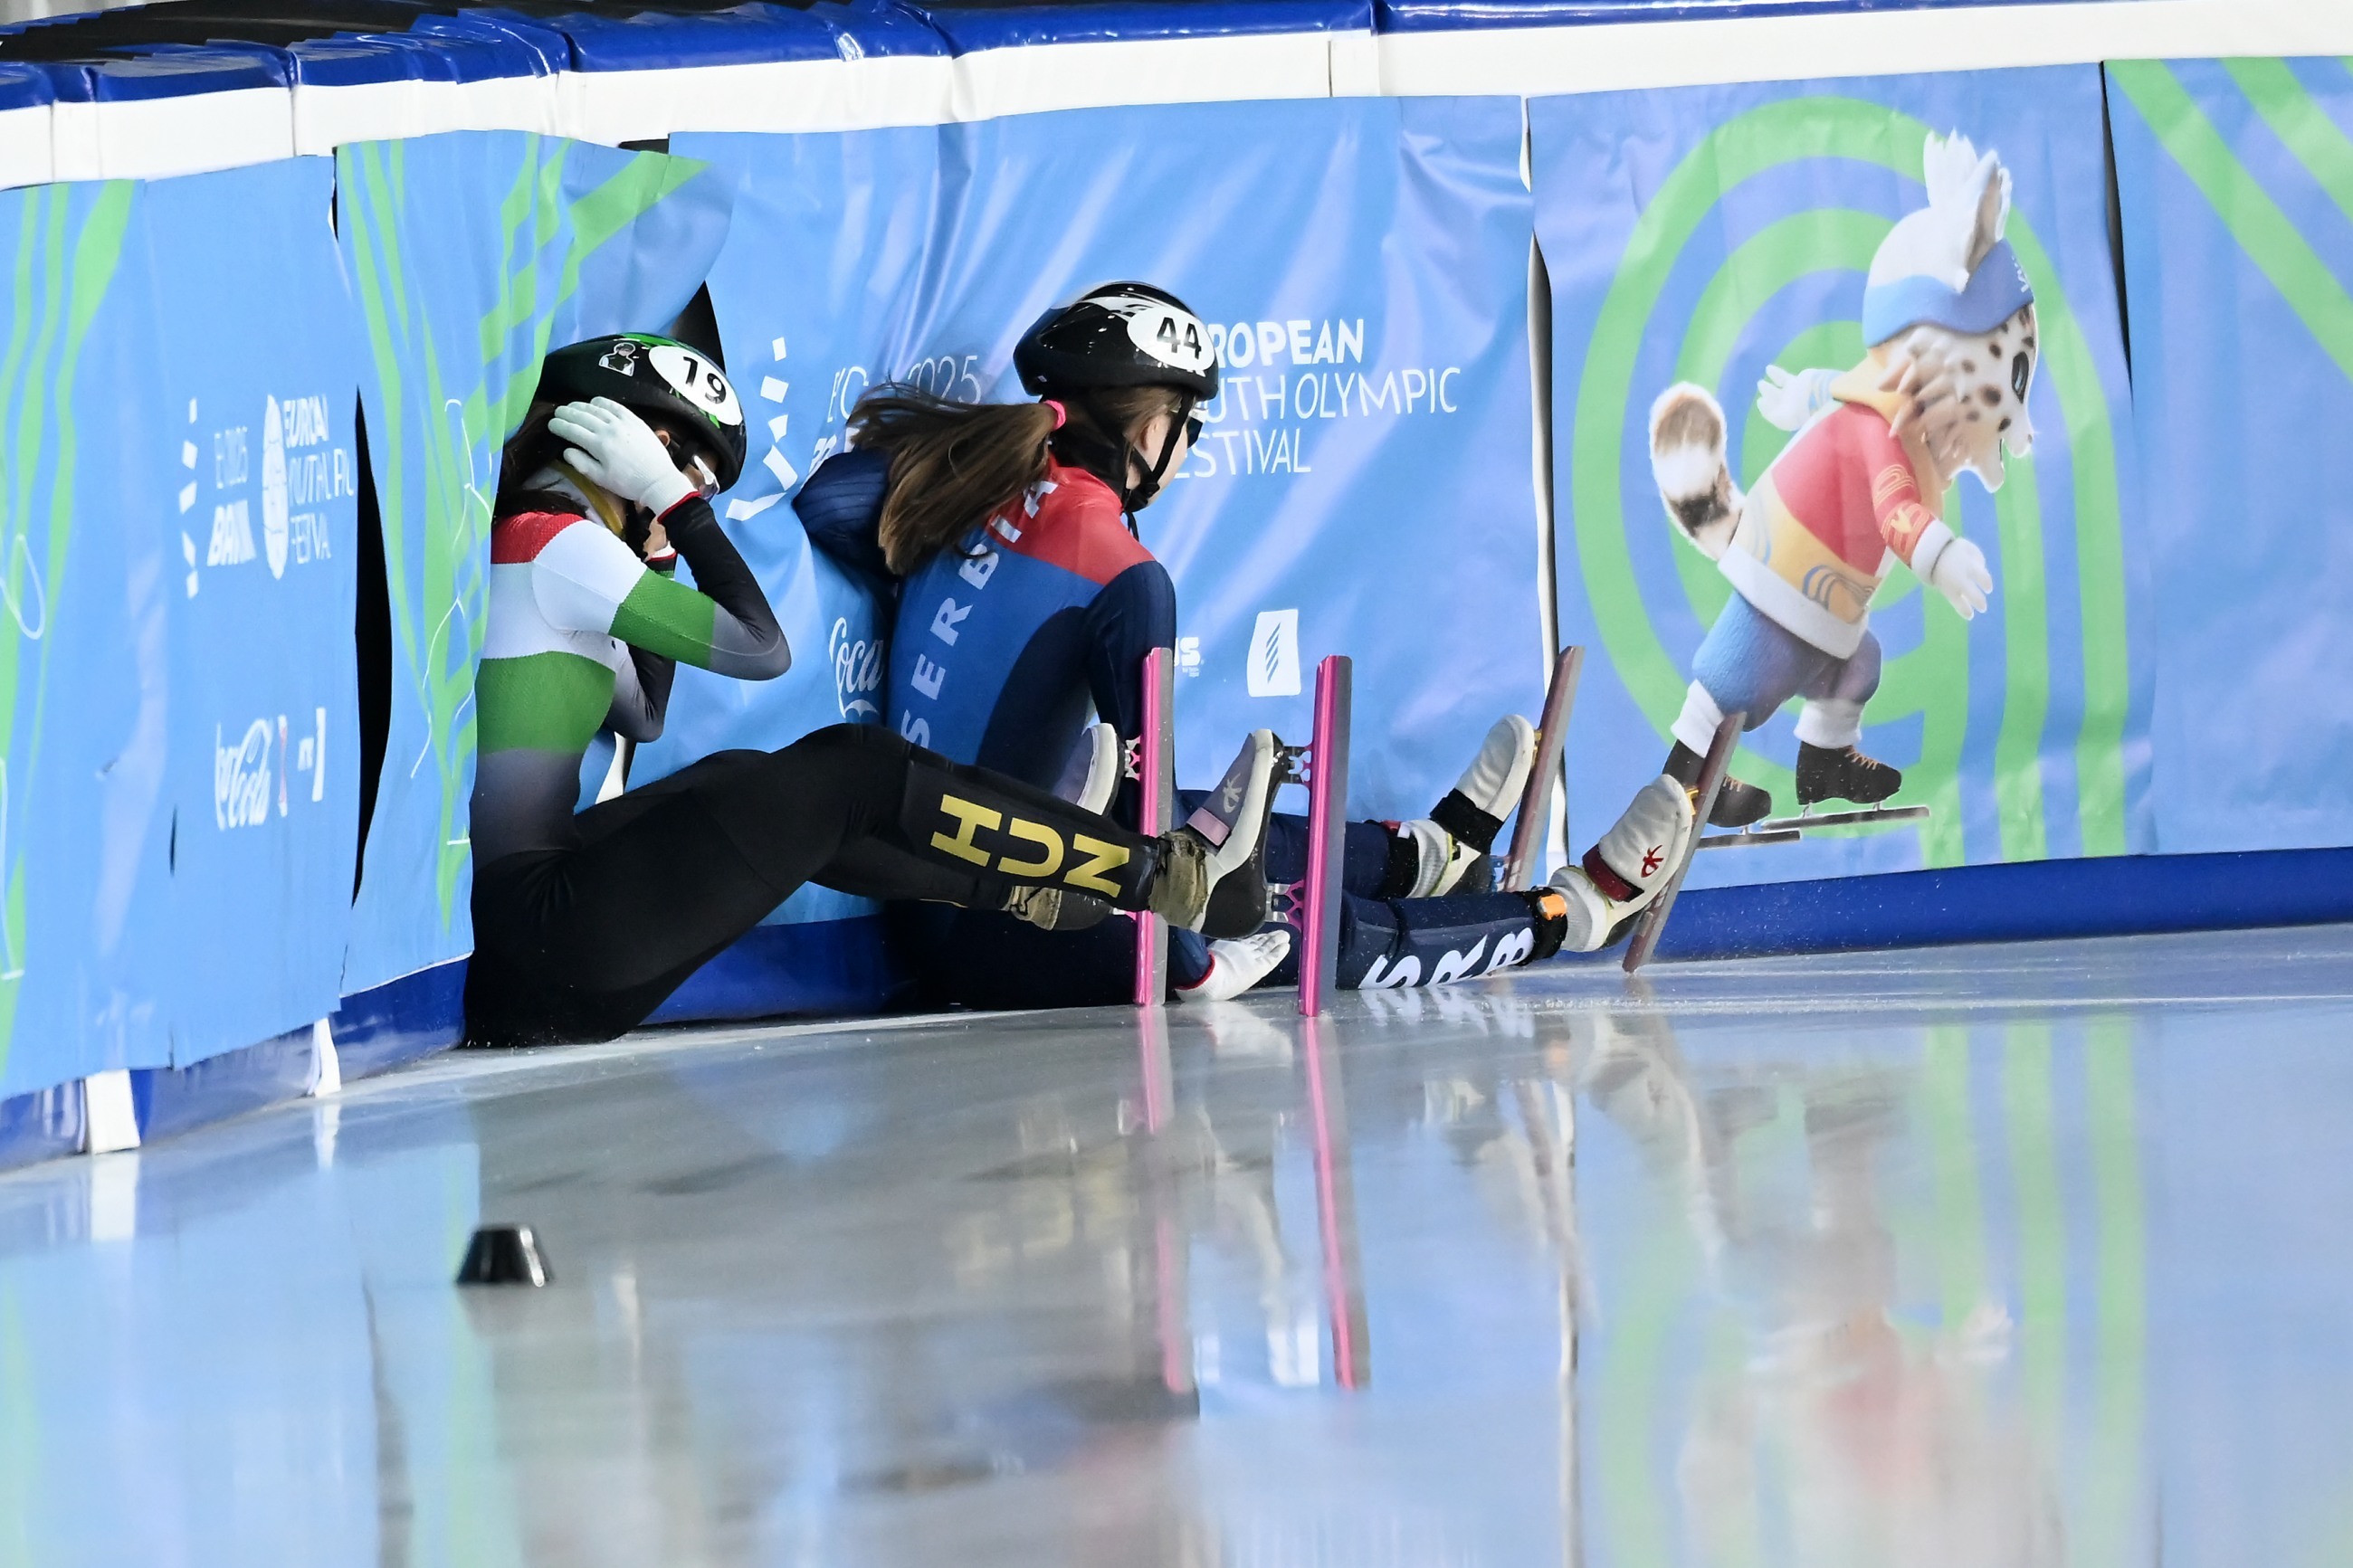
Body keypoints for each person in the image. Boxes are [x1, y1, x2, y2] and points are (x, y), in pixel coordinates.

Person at [462, 332, 1274, 1045]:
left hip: (535, 937)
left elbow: (644, 712)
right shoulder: (556, 547)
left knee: (750, 778)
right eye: (695, 475)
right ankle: (1161, 874)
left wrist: (665, 542)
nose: (696, 497)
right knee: (853, 769)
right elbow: (762, 647)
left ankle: (1027, 886)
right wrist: (675, 507)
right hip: (544, 934)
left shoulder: (559, 553)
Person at [795, 283, 1590, 1007]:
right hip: (991, 935)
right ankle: (1562, 915)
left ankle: (1431, 856)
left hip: (928, 895)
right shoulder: (1125, 572)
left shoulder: (966, 485)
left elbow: (826, 504)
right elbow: (1156, 828)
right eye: (1192, 429)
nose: (1188, 449)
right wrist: (1193, 965)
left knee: (1222, 826)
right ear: (1152, 429)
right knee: (1305, 920)